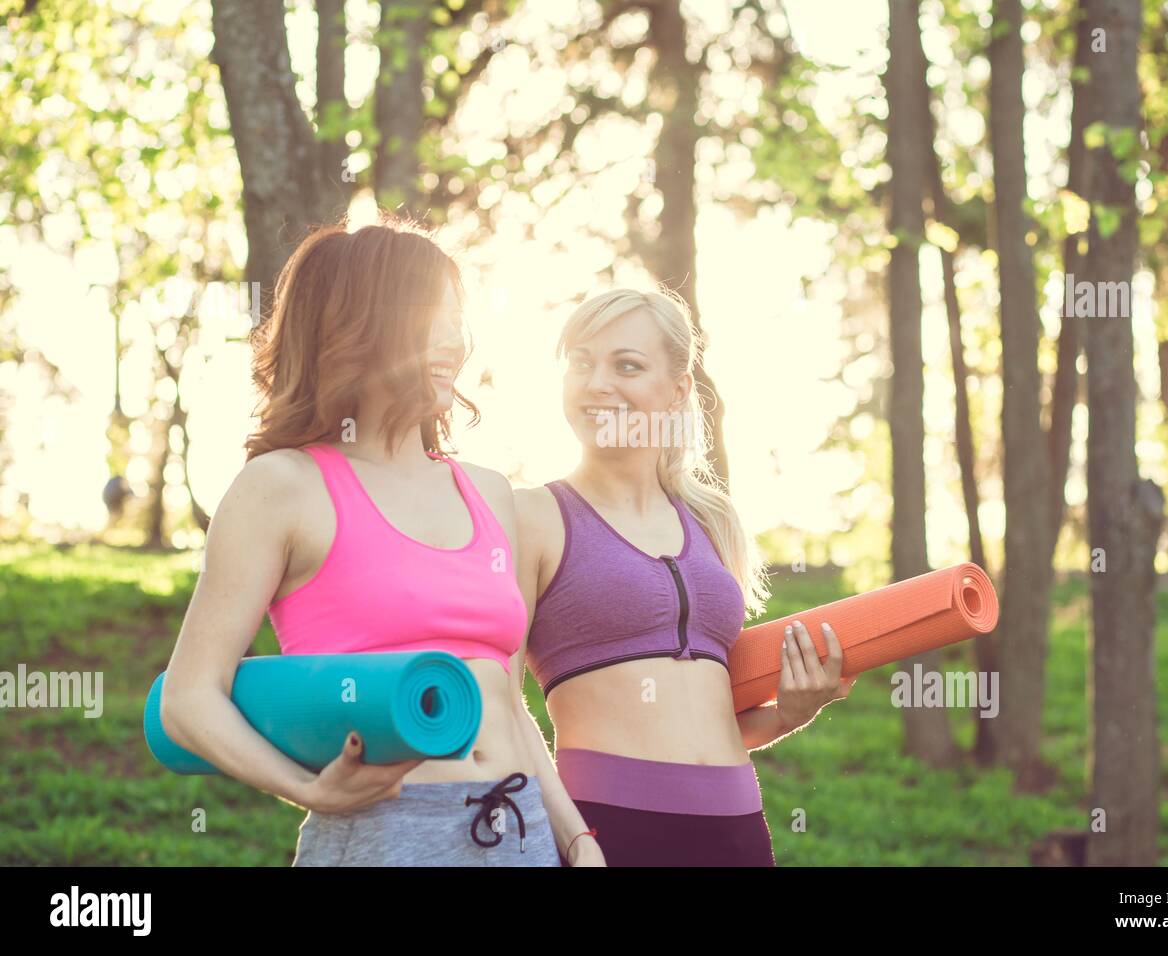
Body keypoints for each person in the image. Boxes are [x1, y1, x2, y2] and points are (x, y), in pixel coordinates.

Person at [159, 215, 602, 866]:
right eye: (435, 318)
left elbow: (506, 702)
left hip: (520, 827)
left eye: (460, 320)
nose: (458, 341)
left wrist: (576, 840)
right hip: (387, 836)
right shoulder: (283, 486)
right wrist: (310, 789)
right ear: (362, 326)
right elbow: (189, 699)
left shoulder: (489, 492)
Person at [514, 288, 856, 866]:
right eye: (580, 362)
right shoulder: (531, 516)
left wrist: (791, 713)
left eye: (626, 365)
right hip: (605, 830)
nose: (597, 382)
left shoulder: (712, 521)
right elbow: (500, 700)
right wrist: (573, 837)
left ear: (677, 392)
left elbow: (712, 709)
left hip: (737, 829)